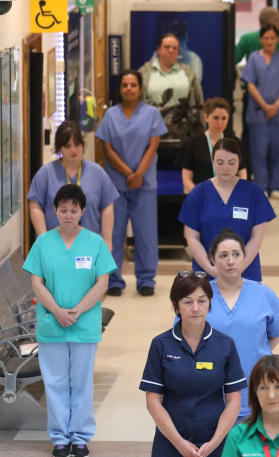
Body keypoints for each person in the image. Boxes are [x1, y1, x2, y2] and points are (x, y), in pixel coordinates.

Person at [140, 273, 245, 457]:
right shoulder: (161, 345)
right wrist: (180, 444)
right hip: (172, 449)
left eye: (202, 300)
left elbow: (234, 400)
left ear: (210, 303)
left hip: (215, 449)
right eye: (188, 302)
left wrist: (213, 444)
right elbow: (153, 400)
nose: (195, 308)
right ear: (175, 306)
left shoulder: (224, 345)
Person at [23, 185, 116, 457]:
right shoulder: (43, 243)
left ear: (83, 211)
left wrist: (76, 310)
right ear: (55, 210)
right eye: (63, 210)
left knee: (81, 382)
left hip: (84, 325)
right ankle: (60, 438)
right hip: (52, 323)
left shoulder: (95, 243)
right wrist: (58, 311)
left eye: (74, 210)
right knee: (55, 382)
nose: (68, 215)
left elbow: (103, 282)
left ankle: (80, 437)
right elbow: (36, 282)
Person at [96, 69, 167, 297]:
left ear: (140, 88)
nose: (128, 89)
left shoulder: (152, 114)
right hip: (116, 184)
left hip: (144, 183)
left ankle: (146, 279)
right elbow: (107, 149)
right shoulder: (110, 116)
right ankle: (114, 280)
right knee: (114, 233)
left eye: (133, 85)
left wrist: (139, 174)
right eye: (125, 85)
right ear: (120, 89)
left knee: (145, 233)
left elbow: (153, 146)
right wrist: (129, 173)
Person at [206, 228, 279, 420]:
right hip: (212, 393)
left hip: (255, 388)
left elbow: (276, 332)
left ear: (245, 258)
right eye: (223, 255)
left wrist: (256, 351)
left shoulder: (264, 294)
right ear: (212, 260)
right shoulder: (200, 296)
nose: (230, 261)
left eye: (236, 254)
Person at [179, 137, 276, 282]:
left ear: (239, 162)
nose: (225, 168)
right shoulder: (198, 194)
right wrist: (211, 269)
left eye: (231, 163)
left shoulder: (254, 194)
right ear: (212, 161)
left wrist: (237, 268)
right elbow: (192, 238)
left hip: (246, 273)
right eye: (220, 162)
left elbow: (257, 237)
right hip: (208, 275)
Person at [29, 121, 117, 244]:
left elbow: (107, 206)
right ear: (60, 148)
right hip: (55, 244)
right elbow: (35, 206)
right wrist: (44, 238)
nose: (73, 150)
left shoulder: (97, 173)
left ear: (83, 145)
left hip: (89, 244)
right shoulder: (46, 173)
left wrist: (108, 240)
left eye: (77, 144)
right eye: (67, 146)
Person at [242, 25, 279, 199]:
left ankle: (276, 186)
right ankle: (261, 186)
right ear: (261, 40)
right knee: (259, 150)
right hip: (258, 111)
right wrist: (265, 106)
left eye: (272, 38)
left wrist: (276, 105)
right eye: (266, 38)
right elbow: (250, 84)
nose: (269, 41)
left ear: (277, 40)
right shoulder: (253, 58)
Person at [177, 97, 247, 194]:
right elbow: (186, 177)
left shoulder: (235, 143)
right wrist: (199, 196)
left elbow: (242, 172)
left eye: (224, 118)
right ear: (206, 117)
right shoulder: (193, 144)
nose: (220, 123)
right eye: (215, 118)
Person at [138, 32, 204, 115]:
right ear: (158, 49)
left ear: (178, 52)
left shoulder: (189, 73)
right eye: (167, 47)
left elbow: (199, 103)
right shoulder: (143, 73)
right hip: (151, 125)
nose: (171, 50)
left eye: (175, 48)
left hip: (183, 126)